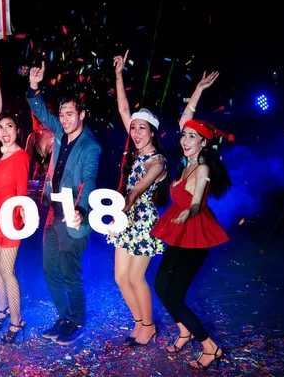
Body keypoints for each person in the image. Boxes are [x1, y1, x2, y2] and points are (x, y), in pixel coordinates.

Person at [151, 71, 231, 369]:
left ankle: (210, 347)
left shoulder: (202, 170)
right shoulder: (185, 163)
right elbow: (186, 118)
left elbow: (197, 202)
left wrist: (190, 210)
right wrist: (197, 89)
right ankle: (184, 330)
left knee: (175, 294)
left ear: (203, 144)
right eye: (184, 135)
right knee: (161, 286)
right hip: (178, 231)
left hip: (195, 233)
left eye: (192, 137)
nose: (185, 139)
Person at [26, 61, 102, 345]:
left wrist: (81, 209)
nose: (65, 119)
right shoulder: (59, 132)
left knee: (70, 273)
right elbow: (40, 111)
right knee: (49, 269)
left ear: (81, 114)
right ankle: (63, 316)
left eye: (71, 114)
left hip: (73, 215)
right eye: (62, 114)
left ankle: (76, 320)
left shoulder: (90, 146)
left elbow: (90, 179)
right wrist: (34, 88)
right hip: (52, 214)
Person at [106, 51, 170, 347]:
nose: (135, 132)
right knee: (121, 278)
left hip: (142, 221)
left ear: (152, 132)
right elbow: (123, 108)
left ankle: (149, 326)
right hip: (126, 219)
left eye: (141, 128)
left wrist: (121, 210)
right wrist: (118, 74)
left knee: (135, 278)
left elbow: (136, 190)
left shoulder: (157, 161)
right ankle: (138, 323)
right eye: (133, 127)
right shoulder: (133, 152)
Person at [0, 52, 31, 343]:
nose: (4, 132)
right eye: (0, 128)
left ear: (17, 130)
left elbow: (22, 192)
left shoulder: (21, 156)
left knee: (6, 269)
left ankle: (16, 321)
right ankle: (2, 311)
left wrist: (22, 219)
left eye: (9, 127)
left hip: (12, 219)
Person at [25, 112, 55, 183]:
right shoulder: (33, 137)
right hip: (38, 180)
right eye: (39, 123)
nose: (44, 126)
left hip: (55, 181)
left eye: (46, 122)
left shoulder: (59, 137)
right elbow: (25, 162)